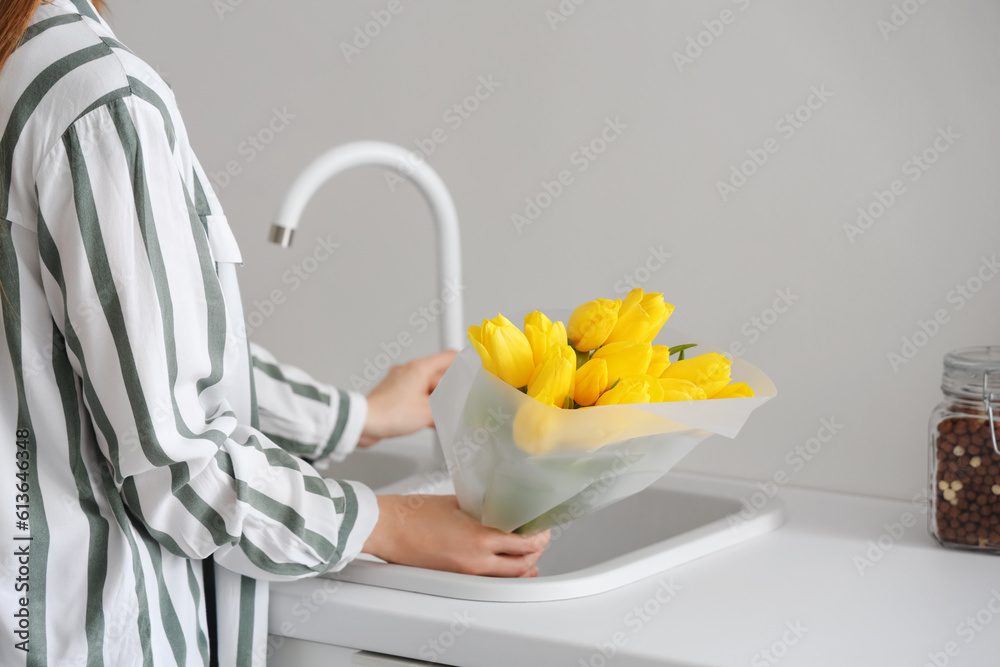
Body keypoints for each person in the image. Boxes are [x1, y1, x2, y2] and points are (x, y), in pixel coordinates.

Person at [0, 1, 550, 664]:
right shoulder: (96, 101)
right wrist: (387, 522)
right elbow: (178, 475)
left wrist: (359, 416)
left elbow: (136, 348)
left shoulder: (33, 83)